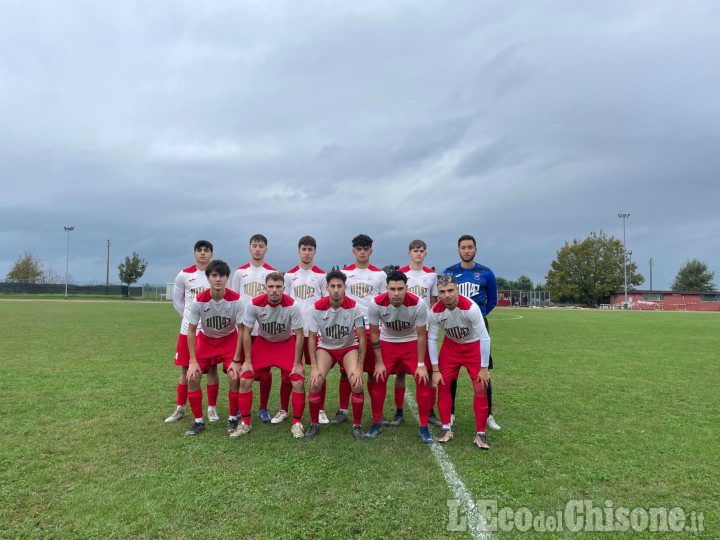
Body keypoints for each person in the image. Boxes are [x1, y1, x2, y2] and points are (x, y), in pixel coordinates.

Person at [230, 272, 306, 439]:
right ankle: (245, 423)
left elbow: (300, 335)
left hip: (286, 344)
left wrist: (297, 363)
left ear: (284, 288)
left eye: (278, 287)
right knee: (245, 378)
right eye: (270, 287)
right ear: (265, 288)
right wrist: (247, 361)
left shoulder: (292, 305)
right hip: (264, 344)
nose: (274, 290)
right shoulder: (254, 304)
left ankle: (297, 423)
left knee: (298, 380)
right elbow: (246, 332)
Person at [443, 234, 501, 431]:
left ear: (475, 249)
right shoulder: (449, 272)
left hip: (478, 326)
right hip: (453, 325)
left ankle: (488, 415)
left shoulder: (486, 272)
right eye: (463, 247)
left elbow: (492, 300)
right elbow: (443, 295)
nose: (466, 251)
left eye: (470, 247)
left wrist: (478, 316)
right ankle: (450, 413)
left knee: (483, 371)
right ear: (458, 250)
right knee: (451, 373)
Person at [367, 270, 433, 442]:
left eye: (400, 289)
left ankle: (424, 426)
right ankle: (376, 422)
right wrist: (379, 362)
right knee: (379, 377)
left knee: (422, 378)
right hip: (388, 341)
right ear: (386, 288)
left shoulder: (418, 304)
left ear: (406, 288)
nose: (396, 293)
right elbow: (374, 333)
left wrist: (420, 364)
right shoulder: (375, 303)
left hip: (411, 341)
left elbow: (421, 335)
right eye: (393, 289)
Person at [428, 274, 492, 449]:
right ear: (438, 293)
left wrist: (484, 368)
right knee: (442, 384)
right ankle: (446, 427)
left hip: (473, 347)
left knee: (480, 386)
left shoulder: (470, 307)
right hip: (451, 347)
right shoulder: (435, 311)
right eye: (442, 291)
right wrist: (435, 369)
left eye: (450, 290)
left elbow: (485, 338)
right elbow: (432, 339)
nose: (447, 295)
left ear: (457, 289)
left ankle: (481, 433)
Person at [183, 260, 244, 436]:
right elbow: (192, 331)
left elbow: (241, 331)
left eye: (222, 276)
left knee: (234, 376)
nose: (218, 279)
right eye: (214, 275)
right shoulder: (199, 301)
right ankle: (198, 421)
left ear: (227, 278)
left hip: (228, 340)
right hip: (206, 341)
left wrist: (236, 359)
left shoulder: (236, 300)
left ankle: (233, 418)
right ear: (208, 278)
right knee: (192, 377)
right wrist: (193, 361)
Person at [305, 270, 367, 440]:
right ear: (327, 288)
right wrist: (315, 367)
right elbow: (311, 338)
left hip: (348, 347)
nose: (336, 290)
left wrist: (359, 367)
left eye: (339, 286)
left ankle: (357, 425)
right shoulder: (317, 307)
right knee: (315, 381)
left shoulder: (354, 307)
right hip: (326, 347)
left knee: (356, 382)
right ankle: (314, 423)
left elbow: (362, 338)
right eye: (332, 286)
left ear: (345, 287)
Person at [335, 234, 387, 425]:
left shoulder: (380, 275)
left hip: (372, 329)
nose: (362, 252)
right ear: (353, 251)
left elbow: (384, 304)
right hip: (350, 329)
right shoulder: (344, 273)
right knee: (345, 372)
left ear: (371, 251)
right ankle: (342, 410)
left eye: (366, 249)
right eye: (359, 248)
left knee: (373, 372)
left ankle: (376, 413)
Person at [278, 236, 329, 425]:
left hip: (316, 333)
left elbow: (326, 304)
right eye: (304, 249)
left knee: (319, 372)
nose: (307, 252)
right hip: (293, 333)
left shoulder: (322, 276)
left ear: (315, 251)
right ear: (298, 251)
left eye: (310, 249)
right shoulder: (289, 276)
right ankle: (284, 409)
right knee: (288, 373)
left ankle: (321, 409)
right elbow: (285, 304)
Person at [165, 240, 214, 424]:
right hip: (189, 330)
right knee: (186, 368)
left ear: (211, 254)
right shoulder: (184, 274)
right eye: (199, 250)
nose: (202, 253)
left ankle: (211, 409)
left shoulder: (215, 274)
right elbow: (178, 302)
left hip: (210, 330)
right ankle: (180, 408)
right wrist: (189, 319)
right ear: (194, 254)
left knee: (211, 369)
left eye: (206, 250)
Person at [230, 234, 277, 424]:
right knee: (241, 369)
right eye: (254, 246)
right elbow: (234, 299)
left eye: (261, 246)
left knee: (265, 374)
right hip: (243, 330)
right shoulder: (240, 273)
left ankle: (263, 408)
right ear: (249, 248)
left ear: (266, 249)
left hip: (264, 330)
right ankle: (241, 409)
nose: (257, 249)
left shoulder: (272, 272)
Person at [394, 239, 438, 427]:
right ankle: (399, 411)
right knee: (401, 373)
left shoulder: (431, 275)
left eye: (421, 251)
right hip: (404, 328)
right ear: (409, 253)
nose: (418, 254)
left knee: (427, 372)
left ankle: (430, 411)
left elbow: (434, 303)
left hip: (425, 328)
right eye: (415, 251)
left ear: (425, 254)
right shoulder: (401, 274)